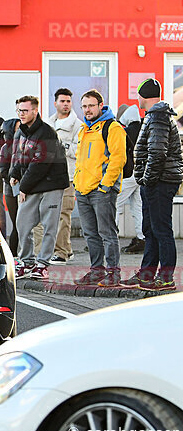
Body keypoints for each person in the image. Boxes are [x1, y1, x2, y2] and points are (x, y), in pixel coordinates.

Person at [122, 78, 183, 291]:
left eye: (138, 95)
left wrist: (146, 180)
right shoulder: (156, 115)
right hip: (158, 181)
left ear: (142, 96)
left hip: (160, 182)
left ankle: (166, 278)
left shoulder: (157, 116)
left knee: (161, 230)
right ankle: (147, 274)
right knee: (151, 229)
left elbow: (157, 153)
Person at [8, 95, 68, 279]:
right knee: (22, 223)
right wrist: (14, 174)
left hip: (51, 184)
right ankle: (26, 261)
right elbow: (19, 156)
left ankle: (42, 264)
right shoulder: (21, 131)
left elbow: (40, 163)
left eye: (25, 110)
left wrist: (23, 186)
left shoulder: (47, 132)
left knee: (49, 224)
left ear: (35, 110)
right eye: (19, 110)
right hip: (31, 183)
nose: (22, 114)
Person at [72, 90, 127, 287]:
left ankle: (113, 273)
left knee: (107, 233)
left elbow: (118, 159)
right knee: (90, 234)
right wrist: (77, 184)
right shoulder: (84, 129)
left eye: (91, 106)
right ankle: (96, 271)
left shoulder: (112, 127)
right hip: (83, 189)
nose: (87, 110)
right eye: (84, 106)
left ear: (100, 105)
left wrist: (106, 185)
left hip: (101, 191)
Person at [45, 88, 83, 266]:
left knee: (63, 214)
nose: (66, 104)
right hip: (50, 176)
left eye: (68, 101)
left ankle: (61, 253)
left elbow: (79, 151)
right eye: (62, 101)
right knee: (51, 214)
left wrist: (62, 146)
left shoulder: (78, 125)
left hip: (68, 176)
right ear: (55, 103)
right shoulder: (48, 123)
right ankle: (66, 249)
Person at [116, 104, 145, 254]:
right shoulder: (144, 126)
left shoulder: (125, 131)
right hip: (141, 173)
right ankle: (142, 237)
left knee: (115, 204)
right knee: (138, 207)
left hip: (128, 173)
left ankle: (108, 238)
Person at [0, 115, 21, 254]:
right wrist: (13, 179)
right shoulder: (6, 148)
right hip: (11, 189)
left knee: (24, 223)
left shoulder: (24, 144)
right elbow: (2, 170)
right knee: (16, 223)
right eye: (17, 128)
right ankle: (13, 254)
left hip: (25, 189)